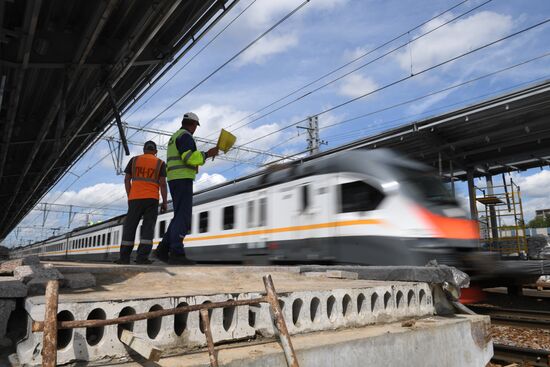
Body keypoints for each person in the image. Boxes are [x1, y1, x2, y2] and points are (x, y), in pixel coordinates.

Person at [155, 112, 218, 263]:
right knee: (183, 217)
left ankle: (162, 250)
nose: (196, 129)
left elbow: (182, 158)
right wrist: (207, 154)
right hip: (182, 179)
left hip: (175, 179)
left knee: (178, 216)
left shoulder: (174, 136)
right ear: (193, 124)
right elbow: (189, 157)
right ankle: (176, 253)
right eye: (196, 126)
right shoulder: (185, 136)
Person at [115, 141, 168, 264]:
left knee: (130, 227)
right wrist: (165, 202)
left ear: (144, 150)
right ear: (155, 152)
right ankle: (142, 258)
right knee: (148, 228)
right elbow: (163, 184)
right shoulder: (160, 163)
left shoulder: (134, 160)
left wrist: (130, 196)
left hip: (135, 199)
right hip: (152, 199)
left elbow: (127, 180)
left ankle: (124, 258)